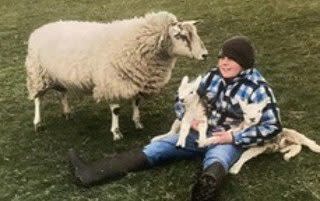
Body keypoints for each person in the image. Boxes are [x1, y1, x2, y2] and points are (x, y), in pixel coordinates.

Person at [68, 36, 282, 201]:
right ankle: (90, 173)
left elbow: (273, 126)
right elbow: (181, 99)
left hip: (227, 137)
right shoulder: (213, 75)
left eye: (231, 59)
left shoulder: (258, 88)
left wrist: (233, 137)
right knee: (159, 147)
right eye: (222, 57)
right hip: (197, 131)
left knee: (219, 158)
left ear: (244, 63)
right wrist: (188, 117)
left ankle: (205, 189)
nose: (224, 63)